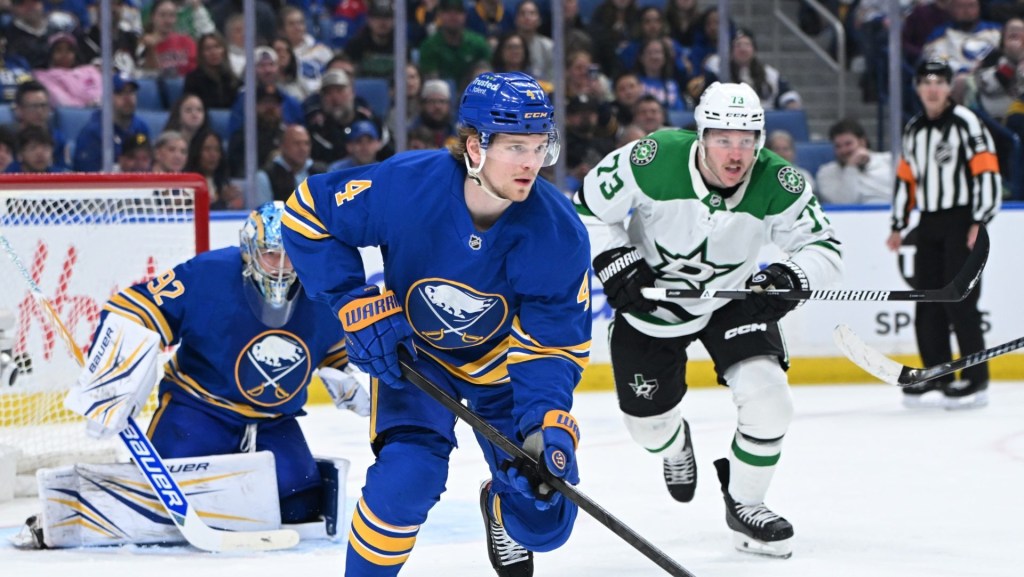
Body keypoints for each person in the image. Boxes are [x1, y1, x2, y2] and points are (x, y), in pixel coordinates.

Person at [282, 71, 591, 577]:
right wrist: (350, 301)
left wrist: (544, 426)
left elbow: (553, 346)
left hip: (505, 372)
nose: (531, 163)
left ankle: (499, 505)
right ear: (474, 147)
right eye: (515, 147)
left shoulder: (558, 231)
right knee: (404, 482)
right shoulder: (407, 185)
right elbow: (306, 213)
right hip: (415, 359)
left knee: (546, 517)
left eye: (540, 146)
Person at [575, 82, 843, 559]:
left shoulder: (779, 181)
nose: (735, 153)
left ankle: (746, 505)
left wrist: (790, 275)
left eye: (746, 140)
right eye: (723, 138)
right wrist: (615, 257)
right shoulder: (652, 157)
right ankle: (675, 445)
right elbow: (587, 208)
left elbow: (824, 247)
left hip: (733, 300)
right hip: (653, 303)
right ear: (700, 135)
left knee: (770, 399)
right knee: (648, 430)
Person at [53, 201, 371, 545]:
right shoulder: (208, 274)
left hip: (273, 420)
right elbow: (132, 309)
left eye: (290, 255)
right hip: (199, 409)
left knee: (300, 506)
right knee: (166, 503)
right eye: (271, 254)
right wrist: (112, 375)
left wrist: (344, 373)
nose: (281, 268)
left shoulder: (324, 288)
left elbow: (335, 349)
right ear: (250, 251)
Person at [886, 58, 1001, 410]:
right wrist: (897, 224)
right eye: (926, 82)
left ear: (949, 87)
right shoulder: (914, 129)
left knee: (961, 301)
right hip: (930, 223)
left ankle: (975, 379)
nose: (932, 89)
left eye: (939, 82)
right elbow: (906, 179)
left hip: (962, 221)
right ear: (918, 88)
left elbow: (987, 172)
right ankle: (937, 375)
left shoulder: (967, 123)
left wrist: (979, 221)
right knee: (927, 303)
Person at [815, 118, 893, 205]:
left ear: (862, 142)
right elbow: (845, 204)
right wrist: (851, 167)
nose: (843, 150)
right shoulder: (826, 173)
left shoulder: (889, 160)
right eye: (838, 146)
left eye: (848, 144)